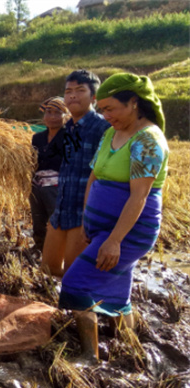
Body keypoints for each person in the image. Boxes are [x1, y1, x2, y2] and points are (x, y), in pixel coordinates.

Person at [59, 73, 168, 362]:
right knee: (117, 292)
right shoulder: (111, 133)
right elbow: (94, 176)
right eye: (103, 109)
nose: (106, 116)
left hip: (129, 231)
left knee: (75, 283)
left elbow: (139, 197)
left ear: (134, 102)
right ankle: (131, 352)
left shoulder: (147, 140)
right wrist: (87, 222)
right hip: (102, 229)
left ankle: (90, 356)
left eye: (111, 109)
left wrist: (114, 240)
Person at [41, 70, 110, 277]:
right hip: (61, 210)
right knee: (48, 270)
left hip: (84, 214)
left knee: (74, 274)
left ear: (94, 97)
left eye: (80, 91)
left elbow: (104, 176)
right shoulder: (69, 128)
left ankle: (81, 309)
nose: (72, 96)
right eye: (68, 91)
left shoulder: (103, 128)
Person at [29, 97, 68, 251]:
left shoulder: (69, 136)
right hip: (37, 186)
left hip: (57, 187)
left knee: (55, 218)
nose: (52, 117)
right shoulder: (37, 138)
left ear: (66, 115)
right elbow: (33, 161)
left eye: (57, 113)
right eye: (48, 112)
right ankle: (39, 246)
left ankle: (57, 251)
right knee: (38, 218)